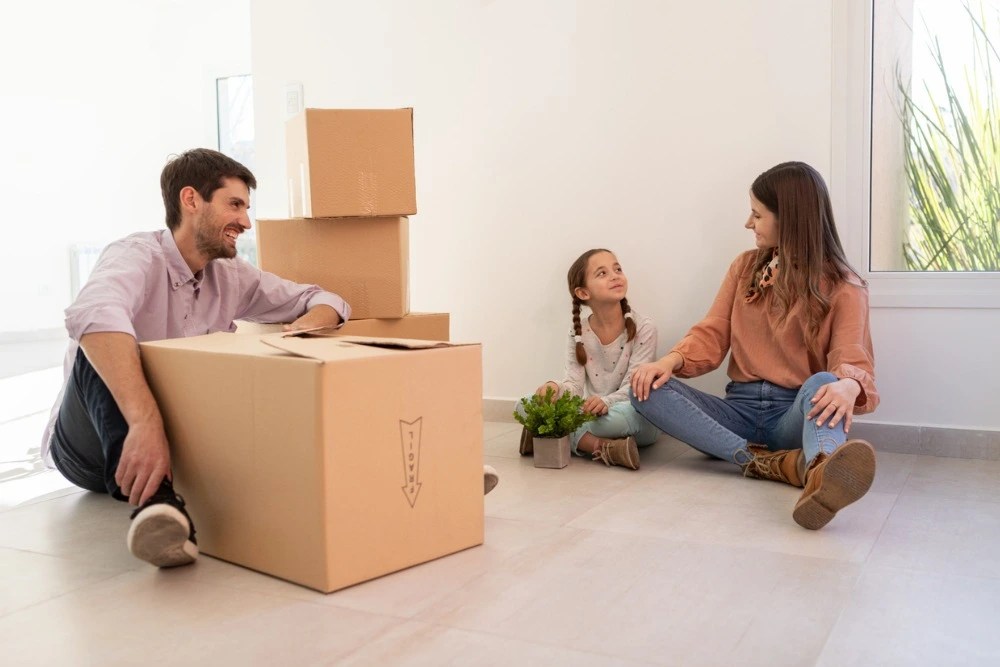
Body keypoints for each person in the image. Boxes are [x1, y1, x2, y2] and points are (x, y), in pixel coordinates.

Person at [40, 148, 356, 569]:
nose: (245, 221)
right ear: (191, 200)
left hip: (177, 446)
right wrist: (144, 420)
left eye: (246, 207)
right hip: (87, 450)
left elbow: (317, 297)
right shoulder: (134, 255)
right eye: (235, 204)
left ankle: (385, 470)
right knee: (103, 342)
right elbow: (92, 313)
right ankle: (158, 509)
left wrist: (310, 324)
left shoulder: (233, 276)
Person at [630, 162, 878, 529]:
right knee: (645, 389)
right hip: (738, 413)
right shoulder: (744, 268)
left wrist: (848, 383)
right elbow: (713, 333)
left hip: (794, 415)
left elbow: (850, 355)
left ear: (789, 219)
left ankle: (821, 467)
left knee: (825, 381)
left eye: (757, 214)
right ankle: (765, 462)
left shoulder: (844, 285)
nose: (749, 223)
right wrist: (670, 361)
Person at [518, 249, 660, 470]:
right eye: (602, 273)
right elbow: (574, 385)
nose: (614, 276)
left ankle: (545, 435)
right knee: (525, 405)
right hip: (593, 415)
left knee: (616, 419)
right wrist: (554, 388)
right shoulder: (578, 331)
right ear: (583, 293)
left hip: (633, 415)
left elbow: (634, 387)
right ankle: (605, 448)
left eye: (617, 269)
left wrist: (605, 402)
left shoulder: (644, 328)